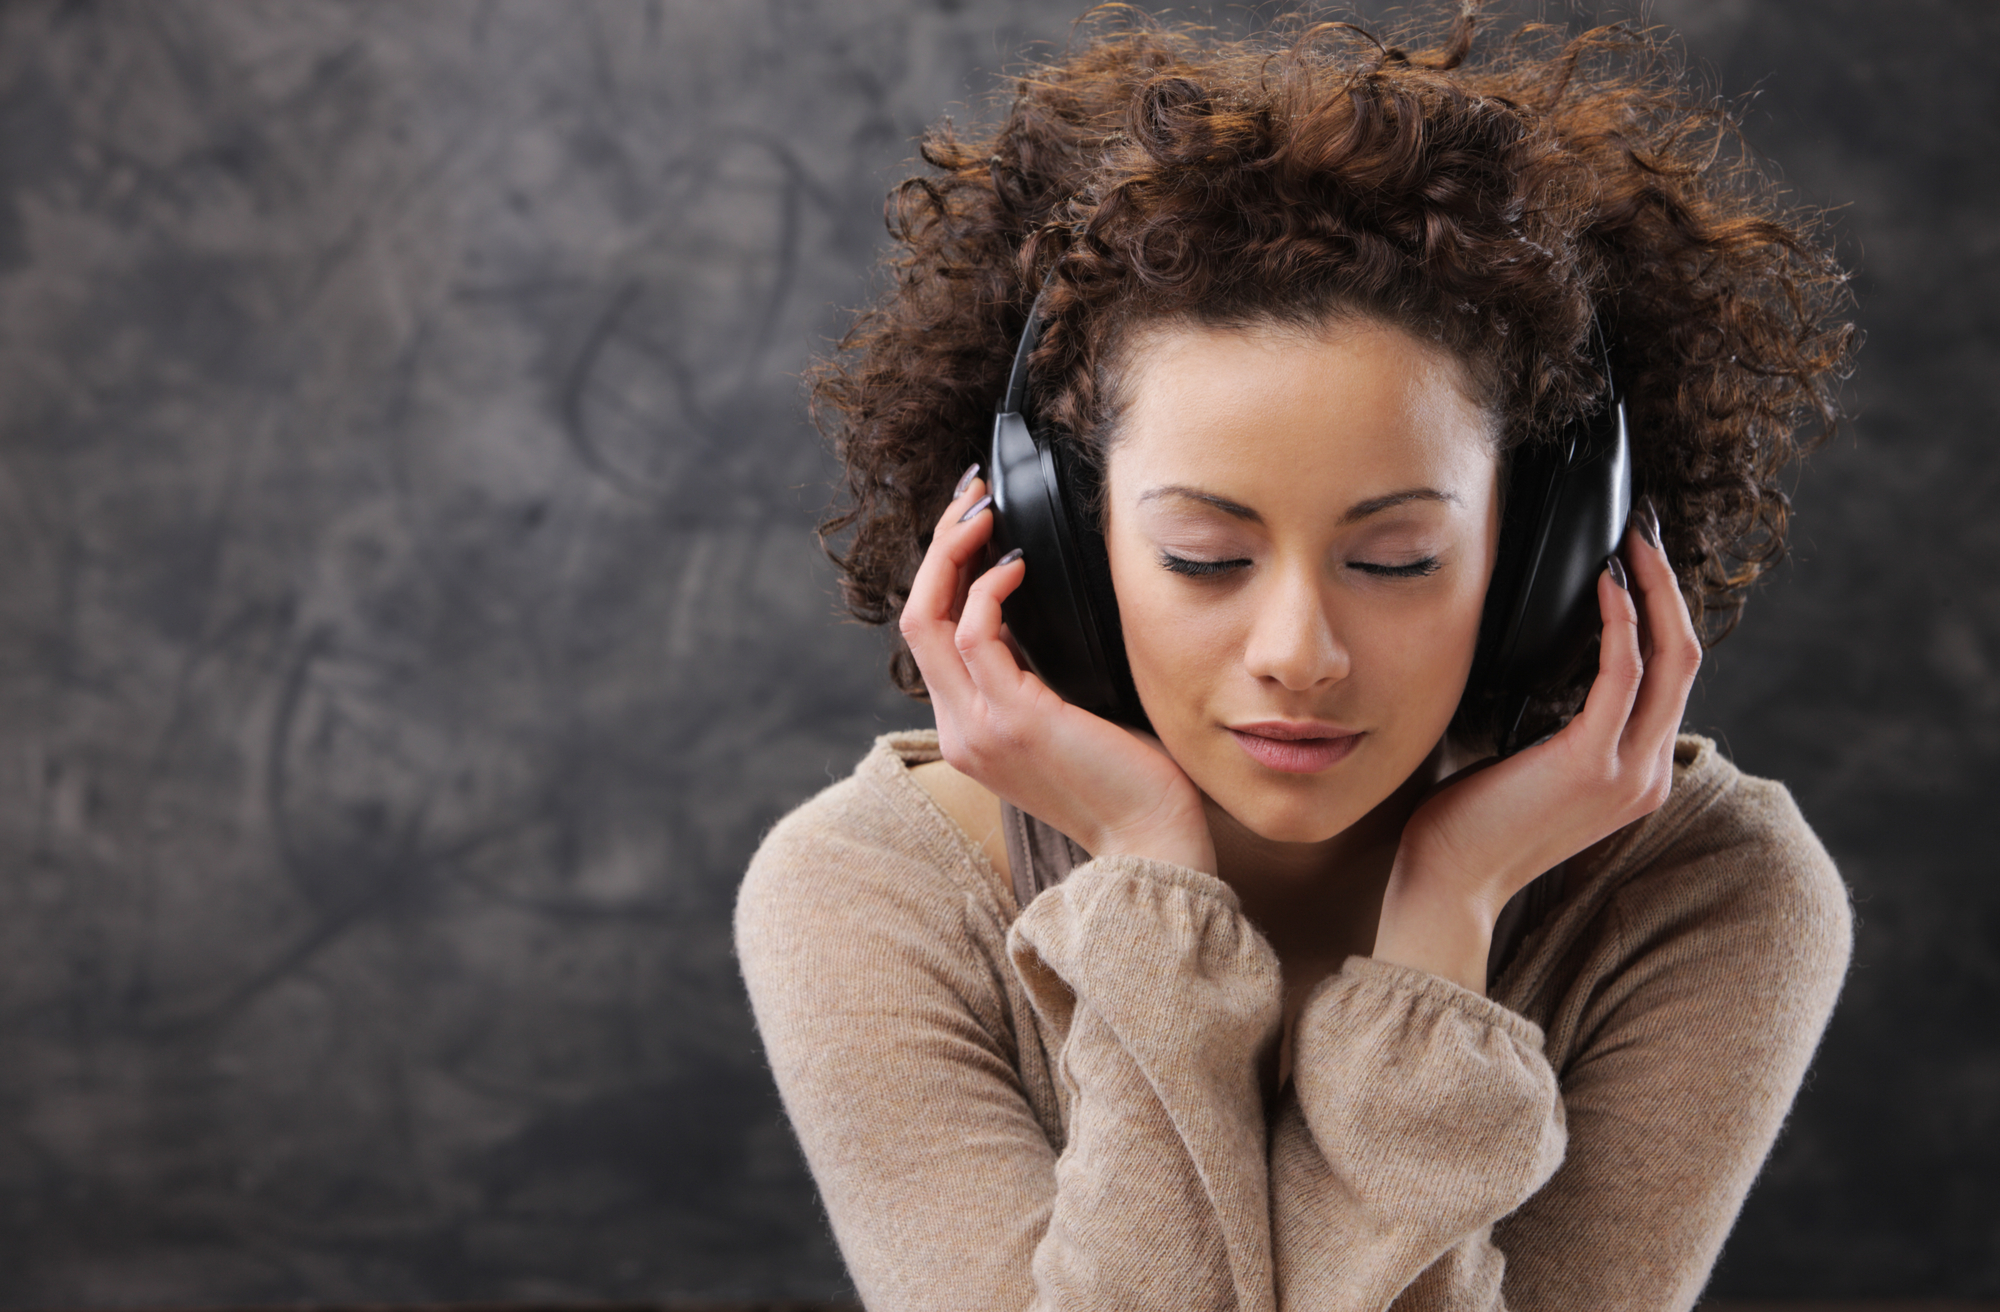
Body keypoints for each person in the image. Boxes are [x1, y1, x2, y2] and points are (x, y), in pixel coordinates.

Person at [737, 7, 1857, 1309]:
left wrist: (1451, 905)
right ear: (1064, 537)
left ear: (1549, 552)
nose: (1299, 656)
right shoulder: (870, 894)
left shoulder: (1709, 896)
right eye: (1207, 558)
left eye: (1394, 562)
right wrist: (1152, 879)